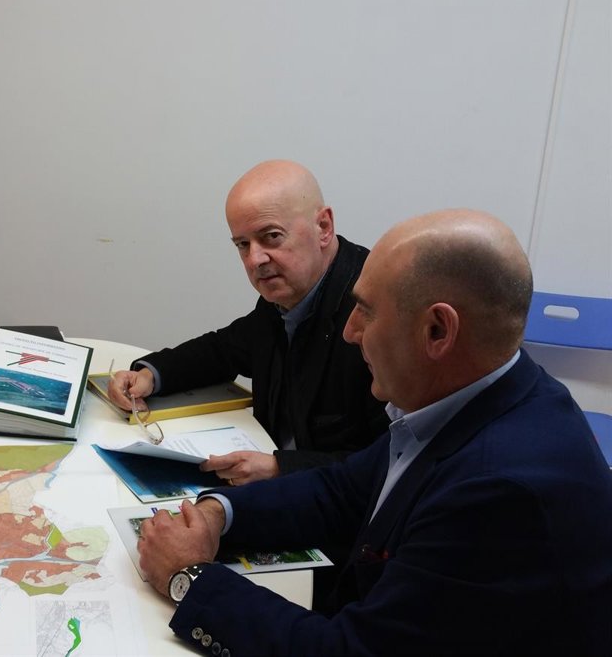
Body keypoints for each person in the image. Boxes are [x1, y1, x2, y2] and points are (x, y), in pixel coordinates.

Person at [136, 209, 612, 654]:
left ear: (437, 331)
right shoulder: (478, 394)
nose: (349, 331)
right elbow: (343, 491)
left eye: (365, 310)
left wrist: (188, 577)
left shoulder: (500, 493)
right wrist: (220, 514)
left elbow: (351, 649)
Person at [108, 160, 388, 485]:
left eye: (271, 236)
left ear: (323, 227)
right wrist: (149, 375)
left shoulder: (378, 314)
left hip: (330, 504)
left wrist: (280, 468)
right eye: (243, 244)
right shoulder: (286, 295)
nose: (255, 259)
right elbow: (224, 350)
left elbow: (394, 460)